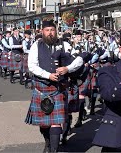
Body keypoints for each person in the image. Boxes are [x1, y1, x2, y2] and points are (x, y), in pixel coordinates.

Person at [25, 20, 83, 152]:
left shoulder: (65, 44)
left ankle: (54, 150)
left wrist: (67, 68)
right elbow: (32, 65)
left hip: (59, 89)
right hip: (42, 87)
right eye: (47, 30)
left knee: (56, 122)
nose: (50, 33)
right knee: (45, 124)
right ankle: (48, 142)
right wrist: (48, 75)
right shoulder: (36, 45)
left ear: (56, 31)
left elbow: (79, 59)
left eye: (52, 30)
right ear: (42, 31)